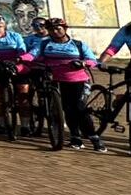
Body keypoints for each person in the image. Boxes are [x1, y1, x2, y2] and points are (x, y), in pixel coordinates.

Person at [34, 19, 103, 151]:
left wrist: (84, 63)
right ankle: (75, 137)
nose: (55, 31)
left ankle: (94, 138)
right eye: (51, 29)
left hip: (79, 80)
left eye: (58, 28)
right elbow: (33, 54)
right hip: (58, 80)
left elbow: (92, 60)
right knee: (68, 109)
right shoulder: (44, 44)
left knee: (80, 108)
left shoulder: (78, 44)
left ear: (65, 29)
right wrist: (21, 59)